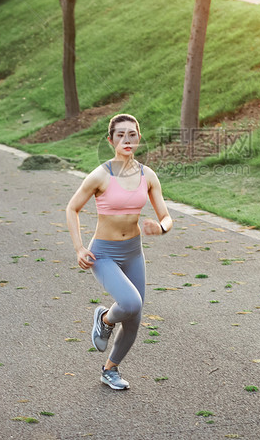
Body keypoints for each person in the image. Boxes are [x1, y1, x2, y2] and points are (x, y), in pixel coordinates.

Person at [66, 113, 172, 390]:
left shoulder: (148, 176)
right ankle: (104, 318)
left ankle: (110, 369)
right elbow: (72, 208)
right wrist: (78, 247)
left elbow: (167, 217)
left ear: (139, 138)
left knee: (135, 320)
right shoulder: (100, 175)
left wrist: (161, 228)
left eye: (132, 134)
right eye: (121, 134)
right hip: (104, 254)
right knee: (131, 303)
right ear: (111, 139)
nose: (127, 139)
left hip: (134, 252)